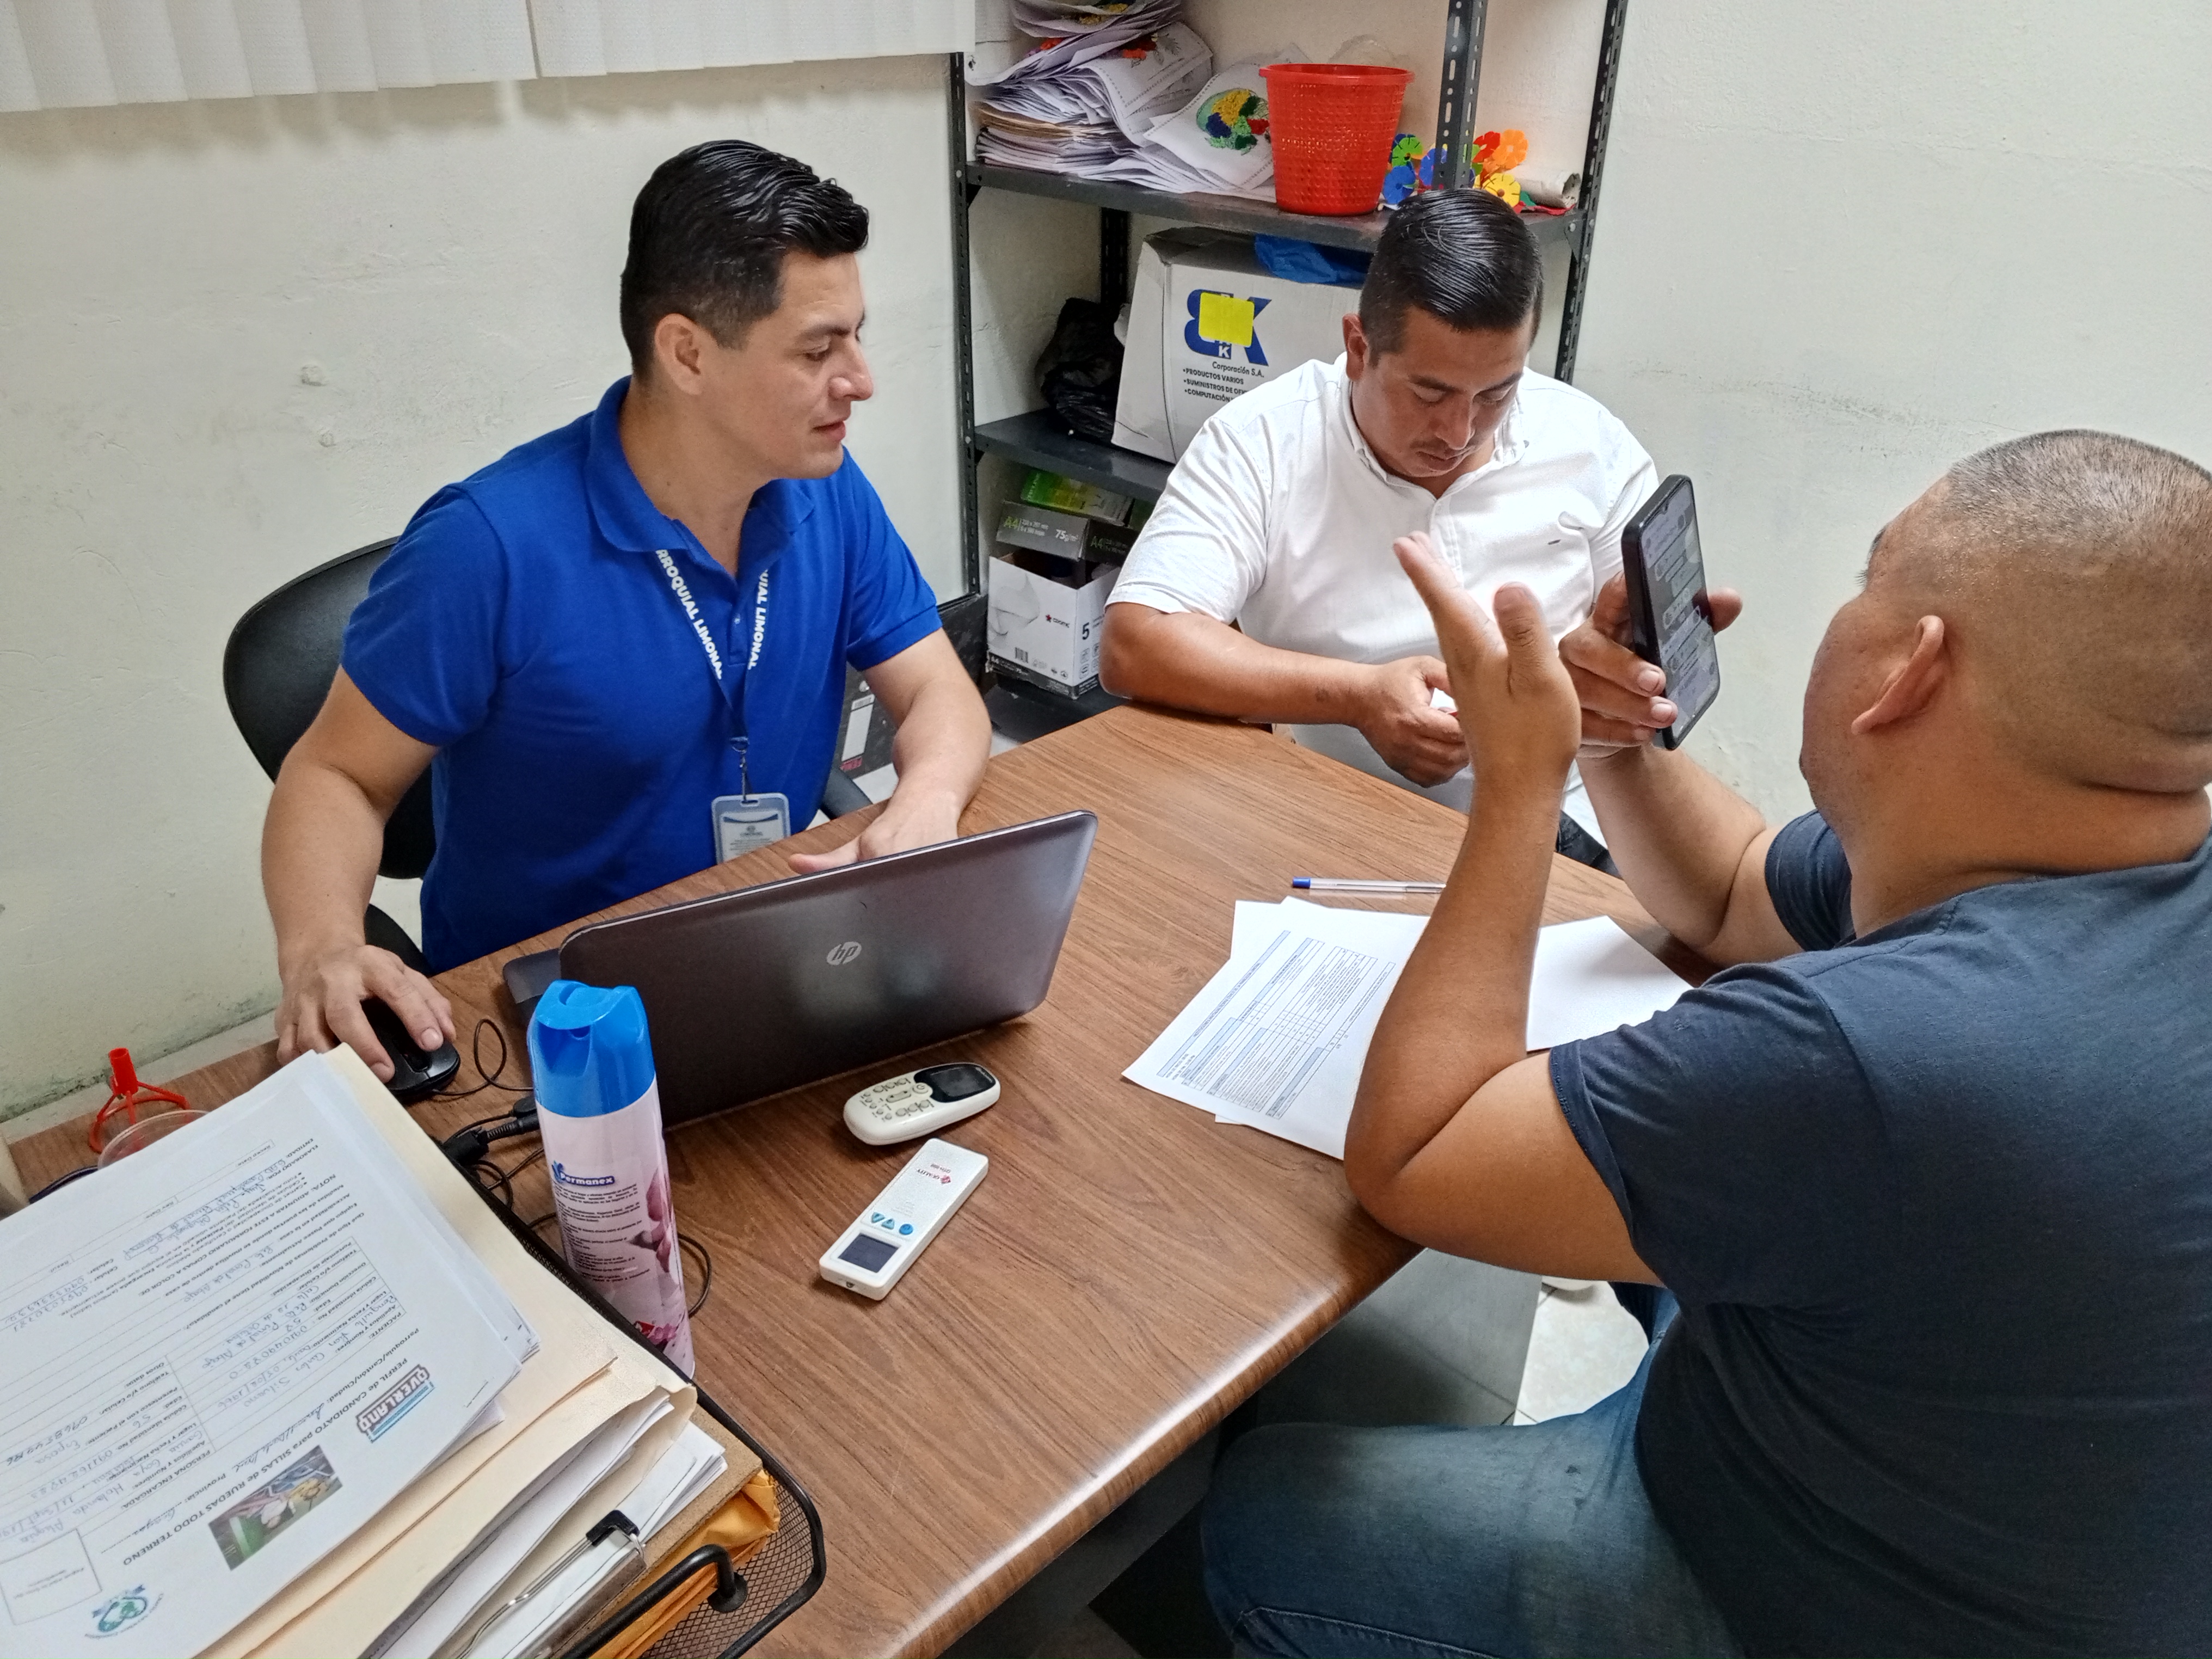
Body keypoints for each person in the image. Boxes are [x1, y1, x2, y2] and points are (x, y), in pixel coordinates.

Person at [1201, 430, 2212, 1656]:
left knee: (1271, 1507)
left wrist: (1519, 786)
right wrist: (1608, 742)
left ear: (1911, 669)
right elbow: (1733, 889)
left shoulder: (1865, 1056)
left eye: (1867, 579)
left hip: (1832, 1601)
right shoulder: (2097, 851)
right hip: (2011, 1507)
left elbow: (1416, 1153)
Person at [263, 141, 990, 1082]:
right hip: (544, 1015)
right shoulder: (487, 547)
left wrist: (925, 800)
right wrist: (321, 947)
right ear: (687, 352)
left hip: (770, 951)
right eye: (818, 350)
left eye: (856, 335)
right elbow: (336, 776)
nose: (861, 377)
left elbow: (937, 691)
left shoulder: (825, 489)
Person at [1098, 187, 1654, 862]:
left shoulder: (1588, 442)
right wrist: (1358, 697)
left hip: (1560, 816)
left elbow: (1646, 658)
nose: (1459, 432)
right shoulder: (1264, 441)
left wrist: (1619, 671)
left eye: (1496, 393)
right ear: (1358, 348)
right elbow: (1136, 643)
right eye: (1429, 392)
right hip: (1343, 810)